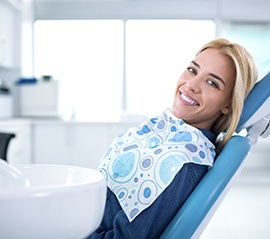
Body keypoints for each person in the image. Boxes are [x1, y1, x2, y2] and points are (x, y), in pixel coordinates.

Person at [86, 38, 258, 239]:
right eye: (193, 70)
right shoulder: (162, 129)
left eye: (212, 83)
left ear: (228, 105)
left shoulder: (180, 163)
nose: (191, 85)